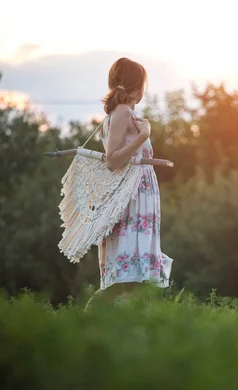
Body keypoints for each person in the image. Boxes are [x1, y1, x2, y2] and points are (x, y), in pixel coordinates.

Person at [84, 57, 173, 311]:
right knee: (126, 283)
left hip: (138, 200)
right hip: (131, 201)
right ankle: (88, 328)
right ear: (138, 86)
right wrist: (144, 136)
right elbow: (112, 160)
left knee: (133, 283)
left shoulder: (125, 113)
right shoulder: (122, 112)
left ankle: (116, 333)